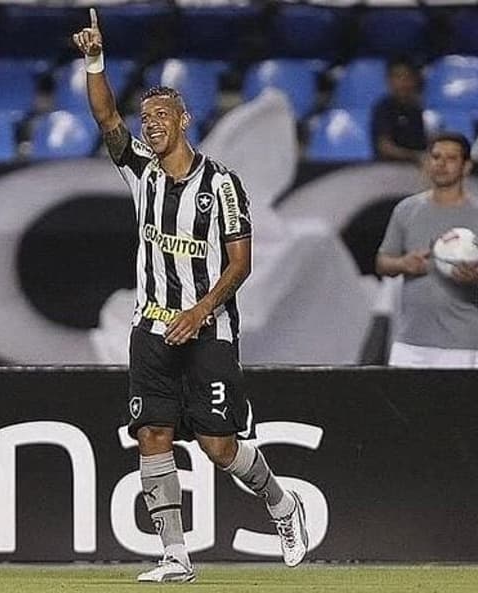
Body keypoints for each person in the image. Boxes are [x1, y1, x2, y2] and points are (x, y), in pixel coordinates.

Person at [72, 8, 309, 583]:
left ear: (185, 119)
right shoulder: (141, 173)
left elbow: (241, 262)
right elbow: (105, 116)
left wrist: (201, 309)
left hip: (209, 330)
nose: (149, 125)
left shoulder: (221, 183)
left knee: (218, 446)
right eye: (145, 117)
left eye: (160, 116)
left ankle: (281, 503)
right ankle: (175, 556)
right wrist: (96, 61)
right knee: (152, 435)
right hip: (150, 327)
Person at [376, 132, 478, 368]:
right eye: (435, 157)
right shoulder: (406, 210)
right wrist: (402, 264)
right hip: (410, 342)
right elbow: (383, 262)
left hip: (461, 343)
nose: (441, 164)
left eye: (450, 158)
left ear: (466, 166)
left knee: (459, 407)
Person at [370, 56, 427, 163]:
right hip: (388, 168)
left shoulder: (420, 109)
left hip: (417, 169)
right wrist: (415, 156)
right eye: (397, 77)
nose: (403, 82)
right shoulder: (383, 108)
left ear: (415, 80)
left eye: (407, 77)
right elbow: (385, 147)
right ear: (389, 81)